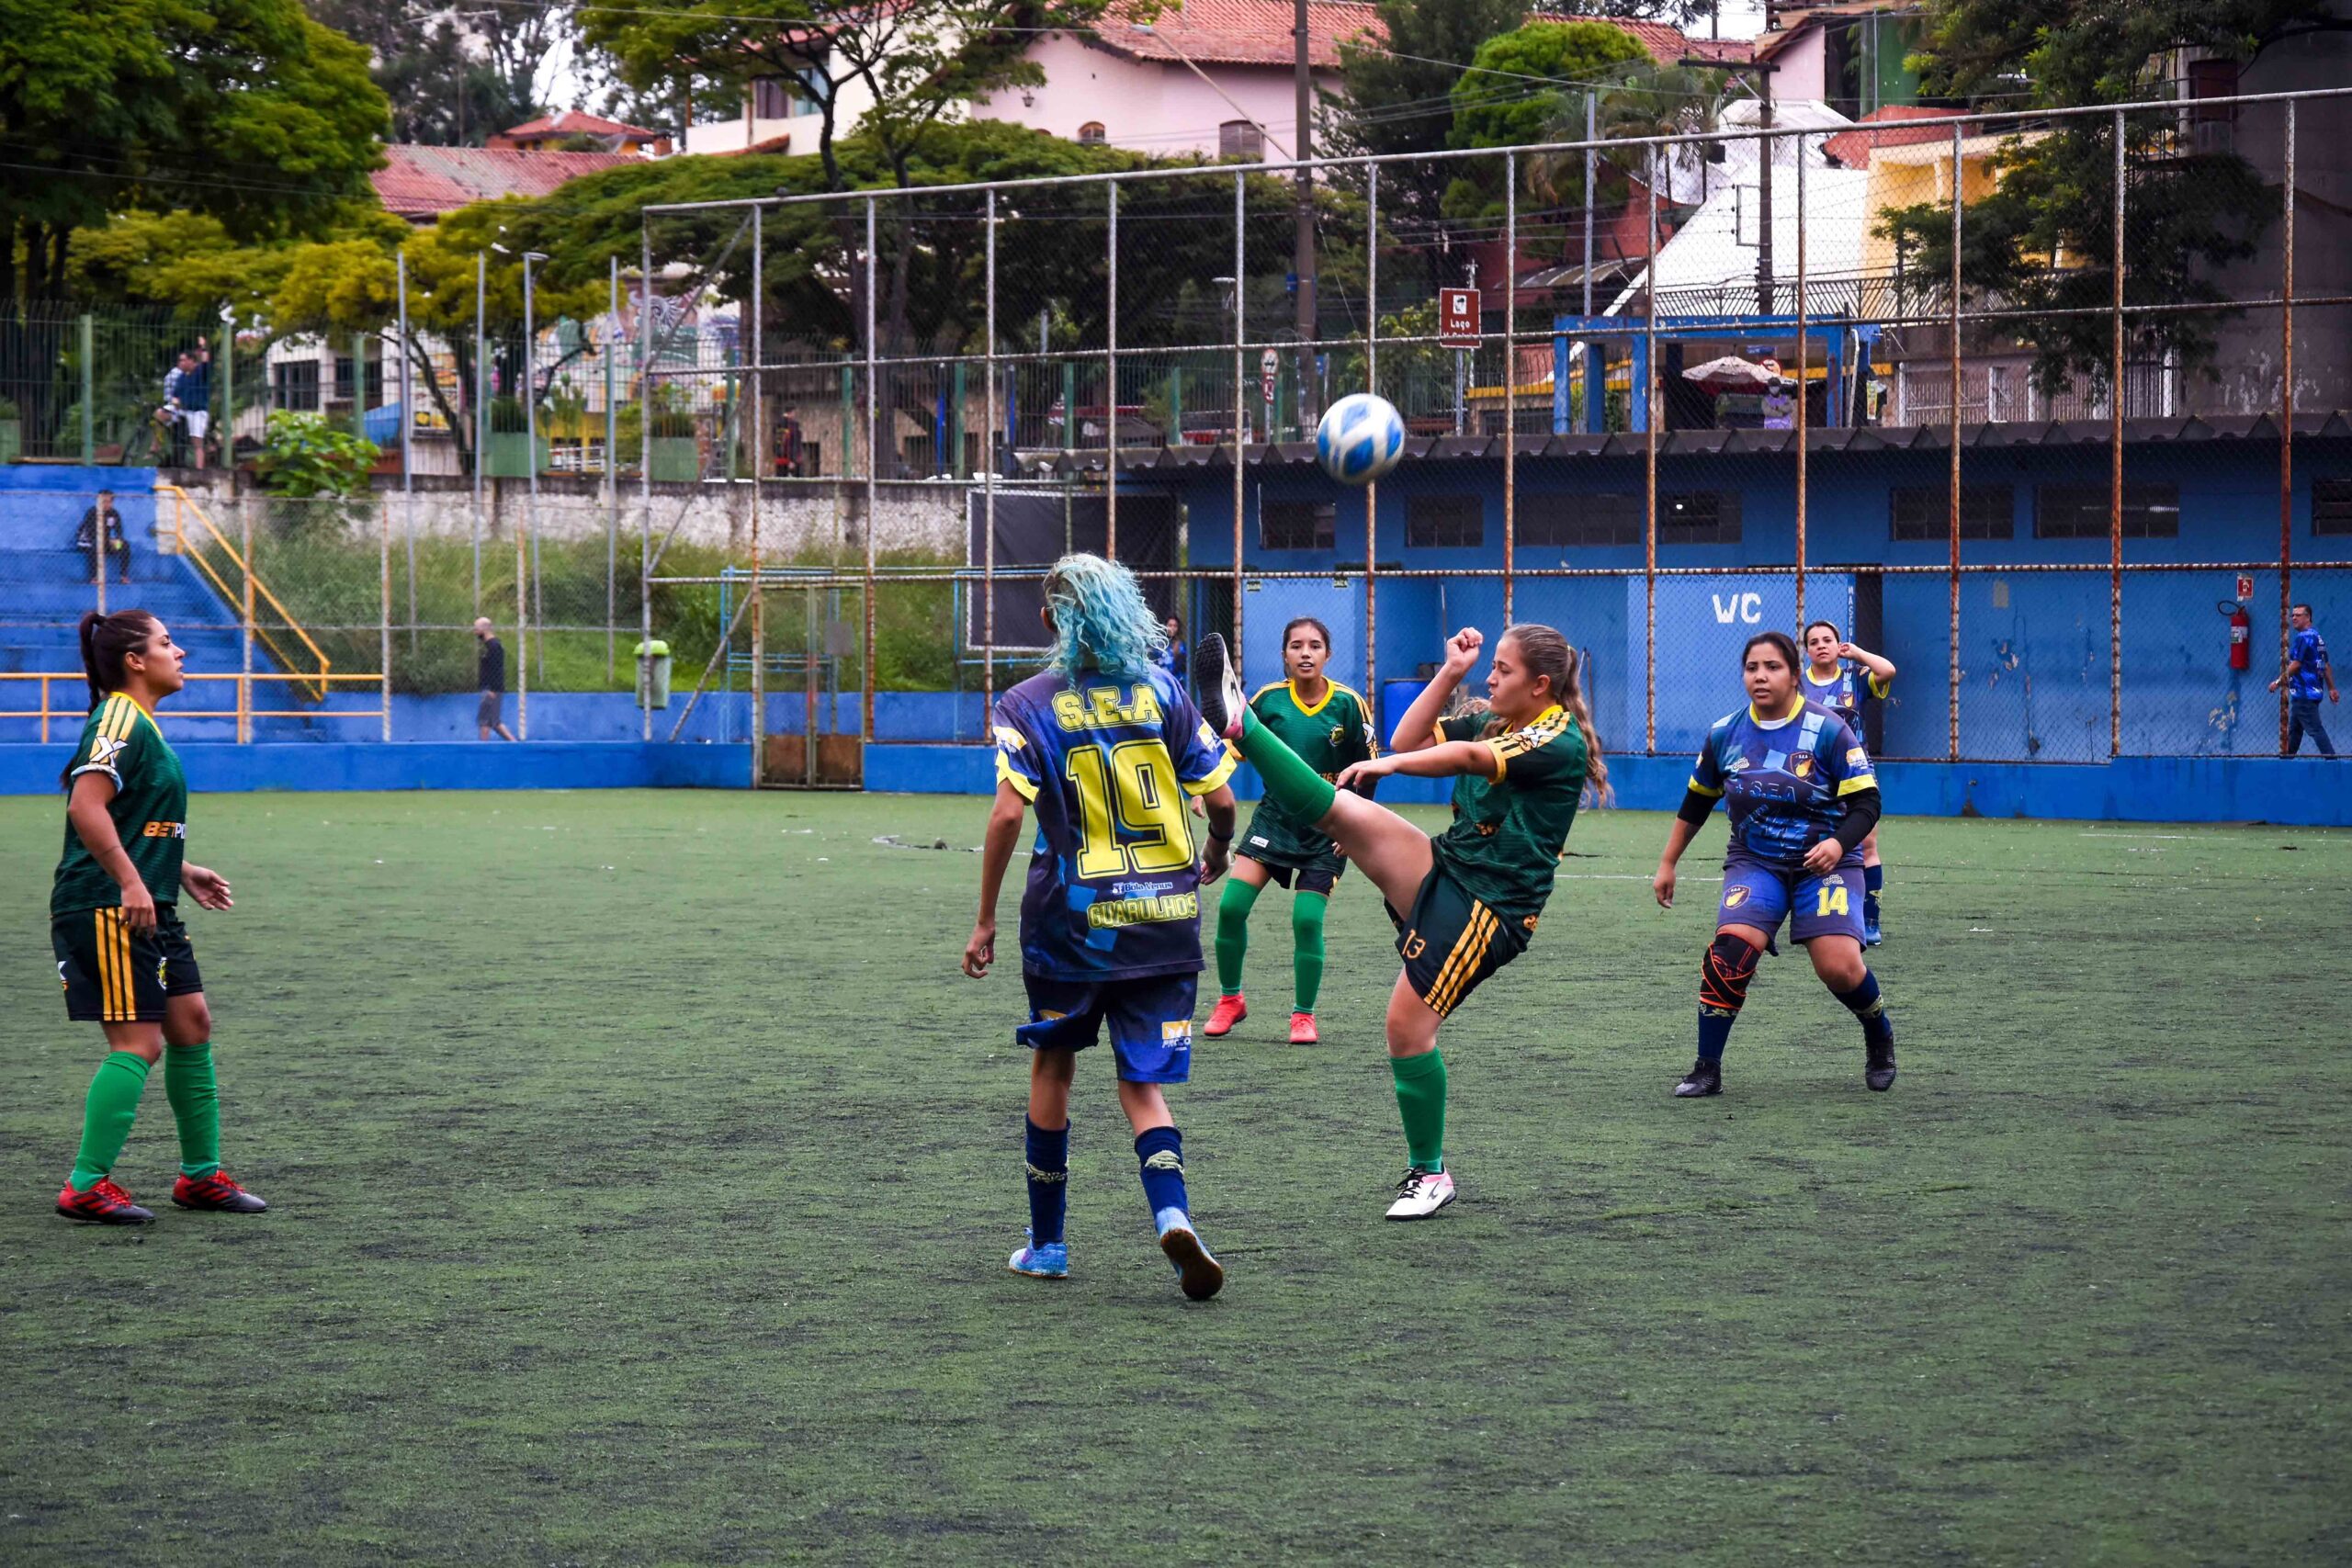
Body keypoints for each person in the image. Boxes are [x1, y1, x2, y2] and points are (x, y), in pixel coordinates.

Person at [1195, 622, 1600, 1221]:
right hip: (1453, 868)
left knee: (1405, 1029)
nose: (1491, 676)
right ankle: (1240, 724)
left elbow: (1462, 756)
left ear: (1541, 685)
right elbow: (1404, 735)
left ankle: (1429, 1173)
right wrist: (1450, 673)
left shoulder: (1556, 737)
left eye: (1503, 670)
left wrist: (1391, 770)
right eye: (1490, 666)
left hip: (1493, 907)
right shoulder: (1496, 715)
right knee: (1342, 812)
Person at [963, 553, 1239, 1300]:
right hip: (1164, 923)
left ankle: (1048, 1245)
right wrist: (1215, 852)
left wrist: (986, 918)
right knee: (1144, 1087)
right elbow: (1220, 803)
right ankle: (1174, 1215)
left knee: (1054, 1067)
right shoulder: (1165, 692)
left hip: (1069, 929)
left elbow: (1007, 813)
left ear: (1053, 619)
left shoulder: (1026, 702)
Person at [51, 609, 263, 1224]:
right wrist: (130, 878)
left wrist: (178, 866)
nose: (182, 652)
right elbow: (86, 806)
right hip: (105, 902)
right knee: (138, 1041)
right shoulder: (118, 715)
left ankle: (200, 1177)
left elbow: (129, 816)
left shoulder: (142, 724)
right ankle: (85, 1185)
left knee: (191, 1023)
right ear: (136, 661)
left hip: (146, 897)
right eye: (168, 643)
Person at [1653, 630, 1896, 1100]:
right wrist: (1668, 862)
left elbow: (1867, 804)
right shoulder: (1726, 733)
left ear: (1792, 674)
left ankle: (1878, 1033)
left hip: (1827, 863)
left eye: (1772, 667)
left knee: (1840, 968)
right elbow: (1696, 801)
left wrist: (1836, 844)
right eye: (1752, 668)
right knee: (1729, 954)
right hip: (1755, 862)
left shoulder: (1828, 729)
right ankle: (1707, 1068)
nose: (1761, 676)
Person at [1205, 616, 1376, 1044]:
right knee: (1230, 908)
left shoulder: (1349, 705)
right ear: (1283, 654)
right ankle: (1230, 1000)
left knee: (1306, 920)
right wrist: (1205, 788)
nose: (1306, 652)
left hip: (1328, 830)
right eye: (1296, 645)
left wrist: (1356, 825)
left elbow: (1369, 771)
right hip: (1274, 822)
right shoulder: (1266, 701)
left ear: (1328, 655)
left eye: (1315, 645)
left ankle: (1303, 1015)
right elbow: (1230, 746)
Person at [1801, 620, 1896, 944]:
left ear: (1839, 645)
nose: (1821, 645)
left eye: (1828, 639)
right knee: (1812, 842)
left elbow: (1888, 671)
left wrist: (1857, 654)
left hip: (1857, 771)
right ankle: (1814, 916)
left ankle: (1870, 921)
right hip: (1813, 776)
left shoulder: (1854, 679)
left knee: (1867, 845)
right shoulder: (1797, 686)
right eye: (1813, 642)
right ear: (1806, 650)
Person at [2270, 604, 2339, 757]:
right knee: (2295, 730)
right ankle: (2287, 760)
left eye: (2298, 615)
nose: (2294, 618)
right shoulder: (2317, 637)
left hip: (2304, 694)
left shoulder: (2303, 637)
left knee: (2315, 728)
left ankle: (2333, 762)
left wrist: (2278, 682)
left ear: (2308, 617)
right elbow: (2326, 665)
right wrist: (2332, 688)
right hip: (2310, 693)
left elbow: (2296, 665)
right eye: (2292, 615)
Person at [162, 342, 211, 469]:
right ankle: (157, 444)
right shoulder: (182, 377)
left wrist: (203, 347)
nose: (180, 363)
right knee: (161, 413)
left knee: (197, 441)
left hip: (197, 411)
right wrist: (175, 401)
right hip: (183, 409)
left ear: (191, 361)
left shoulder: (200, 373)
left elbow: (205, 361)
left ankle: (199, 468)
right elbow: (175, 395)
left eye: (183, 360)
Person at [73, 490, 131, 586]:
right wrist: (107, 540)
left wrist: (117, 540)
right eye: (104, 501)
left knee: (124, 545)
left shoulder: (114, 514)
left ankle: (123, 576)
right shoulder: (92, 512)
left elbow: (119, 530)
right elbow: (91, 533)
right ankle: (94, 577)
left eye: (109, 502)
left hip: (105, 542)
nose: (106, 504)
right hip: (86, 542)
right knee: (95, 545)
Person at [474, 618, 517, 741]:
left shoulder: (494, 646)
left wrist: (492, 689)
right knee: (494, 722)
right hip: (488, 688)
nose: (475, 632)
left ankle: (483, 750)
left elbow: (497, 669)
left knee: (484, 721)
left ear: (484, 629)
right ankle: (515, 744)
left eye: (477, 629)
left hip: (491, 689)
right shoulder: (488, 646)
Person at [1153, 615, 1187, 686]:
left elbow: (1181, 666)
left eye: (1175, 626)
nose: (1172, 628)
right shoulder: (1159, 643)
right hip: (1161, 680)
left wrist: (1176, 655)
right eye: (1170, 625)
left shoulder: (1181, 645)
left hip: (1177, 681)